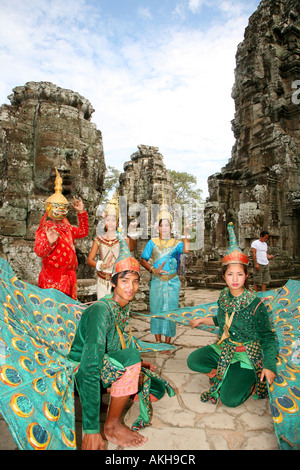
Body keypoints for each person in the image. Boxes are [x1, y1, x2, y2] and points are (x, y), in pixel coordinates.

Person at [68, 235, 175, 450]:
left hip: (100, 364)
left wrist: (138, 364)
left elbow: (119, 343)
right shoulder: (101, 310)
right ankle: (112, 426)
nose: (131, 287)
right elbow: (89, 365)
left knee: (153, 384)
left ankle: (109, 394)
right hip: (79, 370)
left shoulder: (121, 306)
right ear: (113, 282)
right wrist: (89, 429)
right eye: (125, 281)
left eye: (135, 281)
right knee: (132, 362)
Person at [187, 222, 277, 407]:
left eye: (239, 274)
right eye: (230, 274)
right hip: (225, 348)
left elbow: (268, 337)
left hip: (247, 355)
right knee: (193, 360)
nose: (234, 279)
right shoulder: (223, 296)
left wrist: (269, 365)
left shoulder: (255, 303)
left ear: (246, 275)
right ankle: (225, 372)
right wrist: (202, 320)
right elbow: (222, 320)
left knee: (230, 400)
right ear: (223, 276)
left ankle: (249, 379)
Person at [140, 194, 190, 347]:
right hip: (156, 281)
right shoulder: (152, 242)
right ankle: (158, 342)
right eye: (162, 225)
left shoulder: (176, 243)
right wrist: (153, 269)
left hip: (172, 281)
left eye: (168, 225)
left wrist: (186, 234)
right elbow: (143, 260)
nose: (165, 228)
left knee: (171, 311)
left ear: (171, 227)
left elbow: (186, 252)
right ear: (158, 227)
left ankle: (167, 343)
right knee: (156, 311)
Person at [34, 168, 89, 300]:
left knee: (68, 313)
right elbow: (39, 251)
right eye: (57, 207)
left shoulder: (67, 227)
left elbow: (83, 232)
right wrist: (50, 242)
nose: (60, 211)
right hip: (52, 280)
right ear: (49, 207)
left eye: (63, 208)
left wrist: (81, 213)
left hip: (70, 278)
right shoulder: (45, 229)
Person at [87, 192, 137, 299]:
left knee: (118, 309)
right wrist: (101, 265)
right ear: (104, 220)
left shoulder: (122, 238)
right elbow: (90, 260)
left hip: (118, 281)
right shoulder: (99, 239)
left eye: (113, 220)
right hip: (102, 281)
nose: (110, 223)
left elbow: (131, 248)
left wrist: (132, 232)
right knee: (103, 309)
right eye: (108, 220)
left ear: (117, 222)